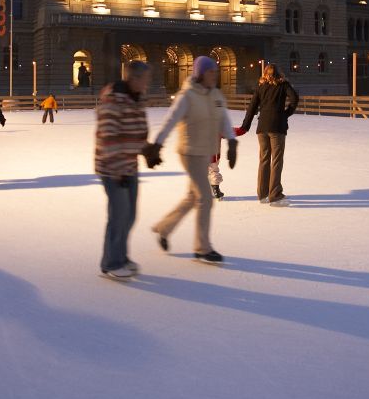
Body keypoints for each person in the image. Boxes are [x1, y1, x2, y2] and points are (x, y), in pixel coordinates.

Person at [143, 55, 237, 264]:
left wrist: (232, 142)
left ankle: (164, 228)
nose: (216, 75)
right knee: (205, 197)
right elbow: (170, 121)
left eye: (216, 71)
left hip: (206, 151)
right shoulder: (186, 96)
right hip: (190, 152)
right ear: (201, 73)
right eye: (212, 71)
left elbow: (224, 120)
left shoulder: (216, 95)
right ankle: (202, 247)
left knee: (193, 197)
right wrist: (156, 145)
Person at [95, 60, 154, 280]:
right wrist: (117, 169)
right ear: (134, 78)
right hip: (113, 168)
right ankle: (111, 262)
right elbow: (108, 136)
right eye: (146, 79)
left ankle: (121, 256)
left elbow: (137, 132)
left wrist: (147, 150)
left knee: (129, 215)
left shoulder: (137, 98)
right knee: (119, 215)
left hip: (129, 165)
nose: (148, 83)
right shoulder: (114, 99)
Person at [236, 63, 299, 205]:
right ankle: (275, 195)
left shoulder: (260, 87)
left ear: (265, 73)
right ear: (279, 73)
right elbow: (294, 99)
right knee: (276, 160)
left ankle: (263, 194)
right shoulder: (283, 85)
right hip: (277, 127)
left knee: (264, 159)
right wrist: (285, 114)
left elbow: (251, 107)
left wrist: (245, 126)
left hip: (262, 127)